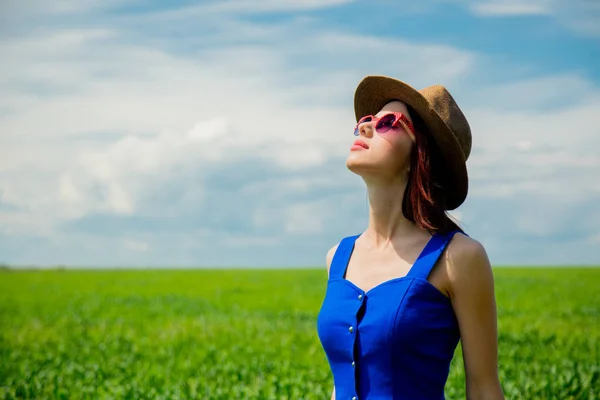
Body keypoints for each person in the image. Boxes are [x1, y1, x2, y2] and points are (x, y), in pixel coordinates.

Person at [316, 76, 504, 400]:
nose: (365, 127)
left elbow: (484, 389)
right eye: (366, 120)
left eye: (388, 122)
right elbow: (342, 383)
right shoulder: (337, 257)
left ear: (420, 154)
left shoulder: (459, 257)